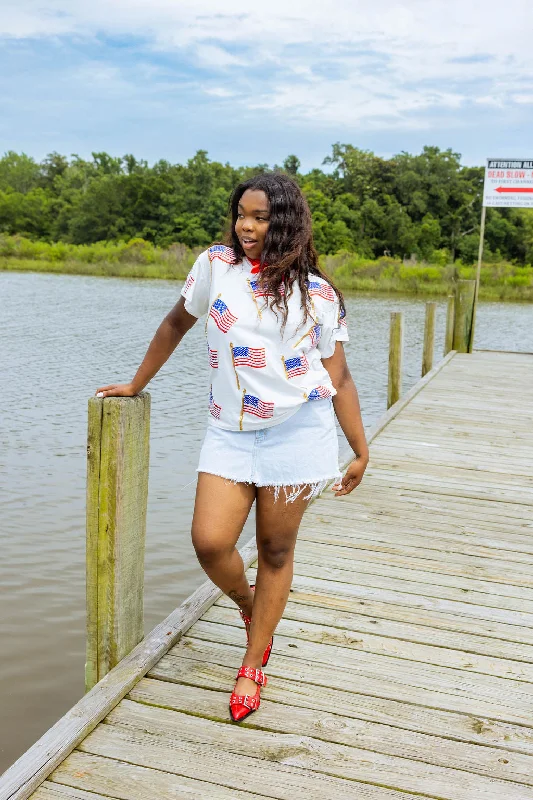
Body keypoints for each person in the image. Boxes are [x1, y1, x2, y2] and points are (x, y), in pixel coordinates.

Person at [95, 172, 369, 723]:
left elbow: (337, 375)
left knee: (273, 549)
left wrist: (359, 449)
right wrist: (136, 383)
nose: (246, 225)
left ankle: (253, 662)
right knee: (210, 541)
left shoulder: (317, 294)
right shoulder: (215, 266)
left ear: (285, 222)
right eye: (242, 213)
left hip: (298, 432)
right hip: (229, 429)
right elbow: (176, 322)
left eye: (261, 217)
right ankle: (251, 608)